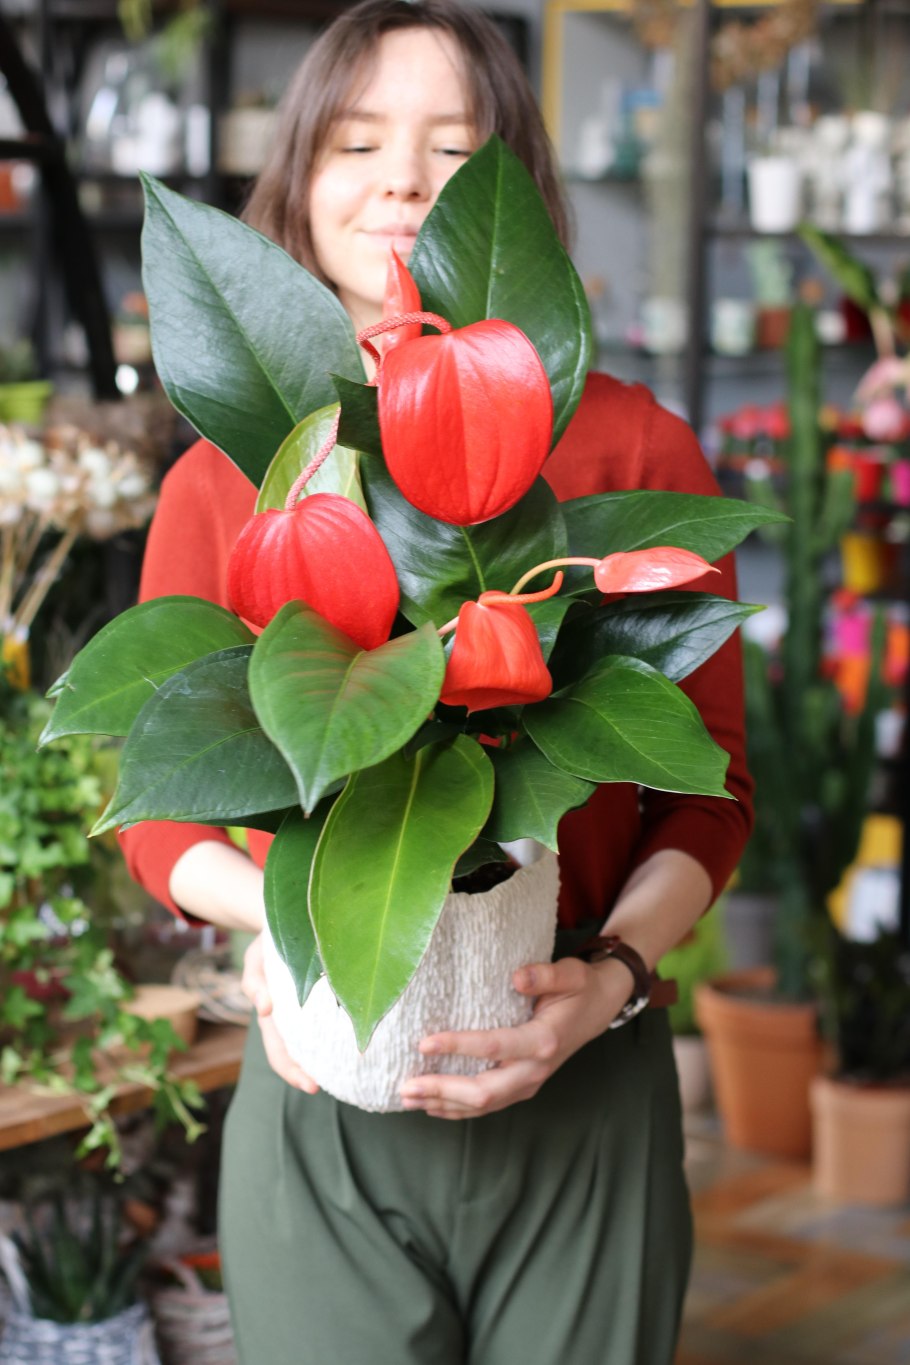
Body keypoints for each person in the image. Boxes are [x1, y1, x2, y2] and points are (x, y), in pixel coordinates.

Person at [119, 2, 752, 1360]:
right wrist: (282, 940)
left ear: (508, 200)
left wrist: (613, 977)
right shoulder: (228, 479)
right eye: (357, 144)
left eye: (452, 149)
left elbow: (706, 794)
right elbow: (161, 804)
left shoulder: (633, 452)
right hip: (325, 1094)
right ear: (298, 182)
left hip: (580, 1083)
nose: (403, 181)